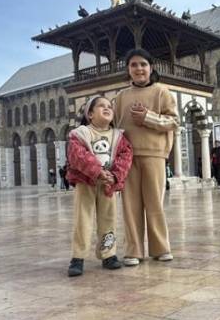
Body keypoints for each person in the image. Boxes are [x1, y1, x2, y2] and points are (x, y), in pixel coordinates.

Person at [112, 48, 180, 264]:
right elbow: (114, 127)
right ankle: (133, 251)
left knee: (154, 204)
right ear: (128, 69)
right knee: (130, 206)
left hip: (154, 155)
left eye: (143, 64)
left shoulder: (162, 92)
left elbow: (174, 122)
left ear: (151, 68)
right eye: (133, 65)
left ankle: (160, 248)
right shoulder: (120, 97)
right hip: (127, 158)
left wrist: (148, 118)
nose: (139, 68)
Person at [65, 96, 134, 275]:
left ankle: (108, 254)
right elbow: (77, 155)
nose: (107, 108)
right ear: (90, 114)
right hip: (85, 183)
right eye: (101, 106)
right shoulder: (80, 133)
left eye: (109, 106)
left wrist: (115, 175)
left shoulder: (118, 136)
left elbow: (126, 156)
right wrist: (97, 171)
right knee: (83, 219)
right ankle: (78, 257)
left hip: (108, 185)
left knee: (109, 219)